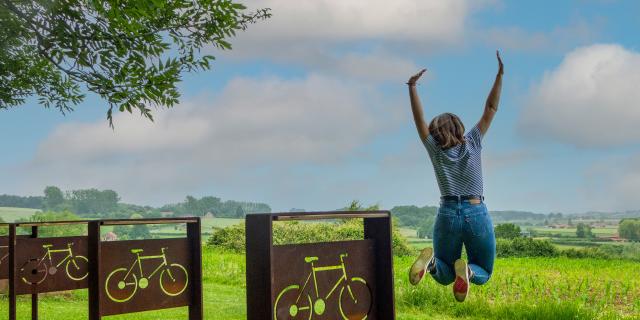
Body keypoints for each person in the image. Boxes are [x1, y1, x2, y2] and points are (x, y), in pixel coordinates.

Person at [406, 51, 504, 302]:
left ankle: (429, 266)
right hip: (475, 210)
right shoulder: (473, 141)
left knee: (445, 272)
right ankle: (469, 271)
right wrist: (499, 75)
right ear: (460, 127)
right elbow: (491, 108)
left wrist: (412, 87)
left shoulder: (434, 150)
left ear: (435, 132)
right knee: (485, 269)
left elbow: (419, 120)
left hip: (447, 212)